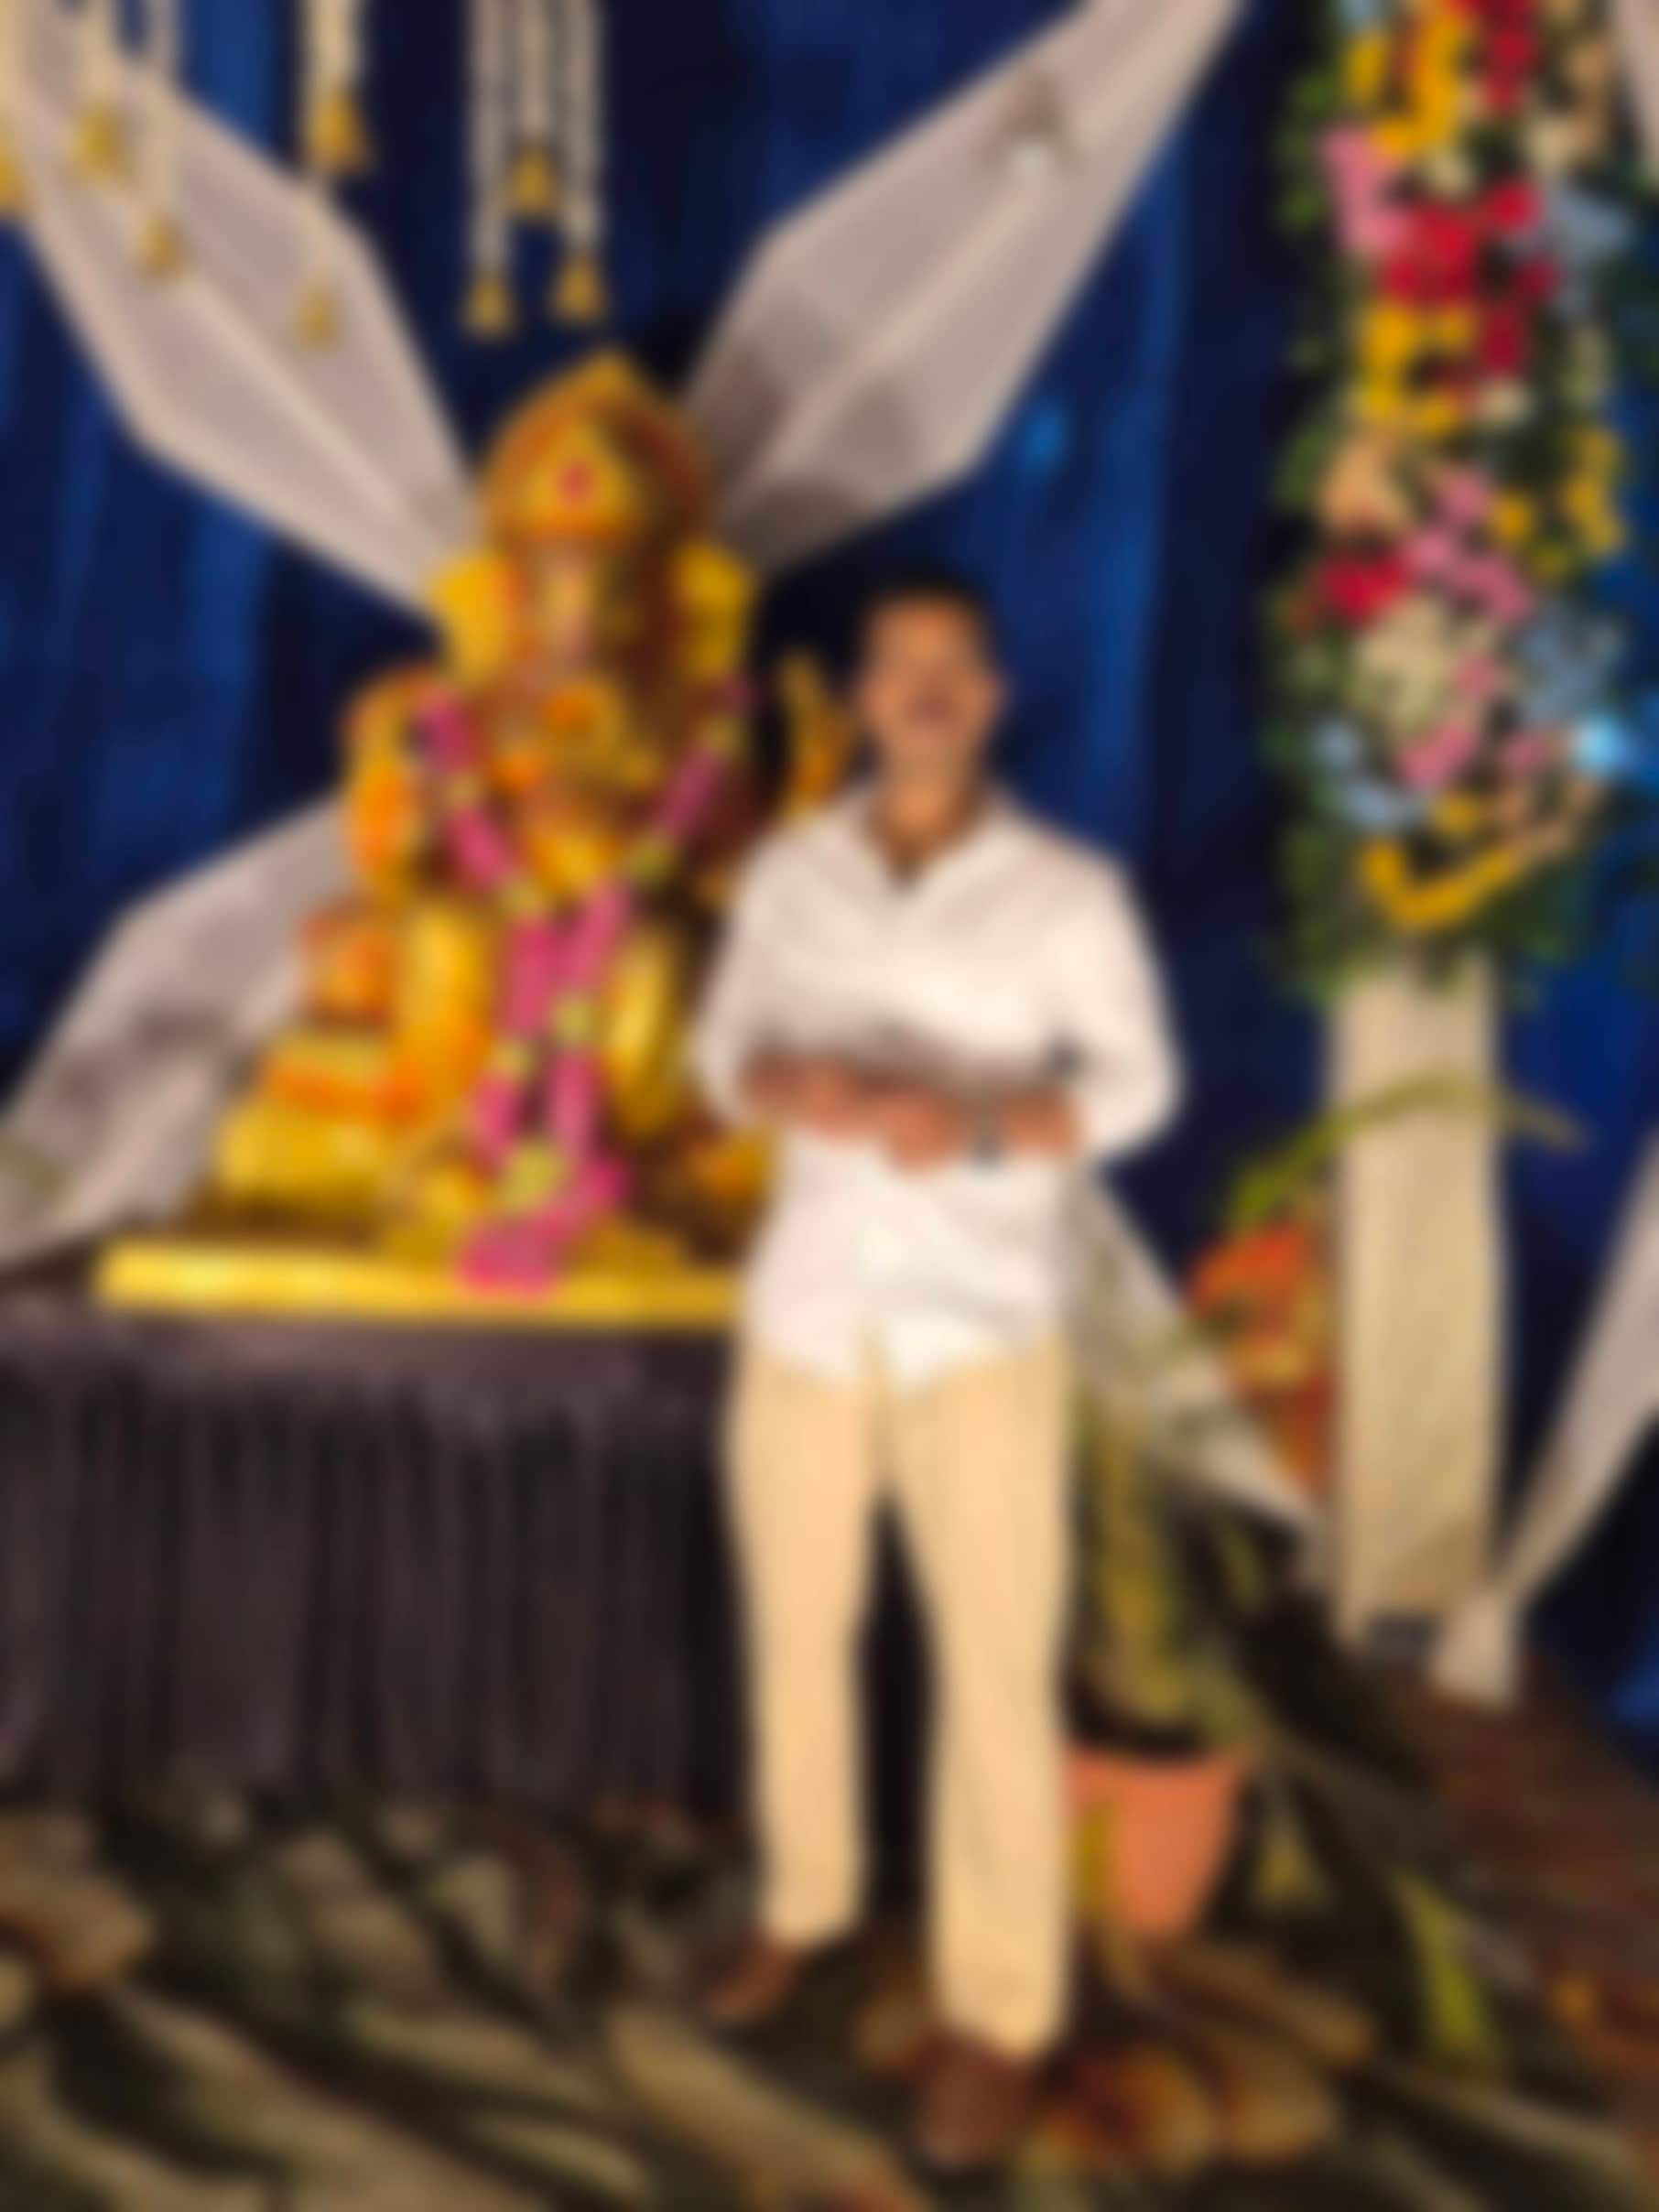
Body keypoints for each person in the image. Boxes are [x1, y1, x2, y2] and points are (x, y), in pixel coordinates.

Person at [691, 566, 1181, 2172]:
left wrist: (975, 1125)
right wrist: (786, 1082)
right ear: (859, 695)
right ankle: (803, 1904)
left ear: (990, 695)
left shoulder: (1066, 892)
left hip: (981, 1322)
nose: (921, 691)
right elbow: (719, 1048)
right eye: (894, 665)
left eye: (949, 666)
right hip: (809, 1314)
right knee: (795, 1633)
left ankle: (1000, 2011)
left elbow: (1142, 1086)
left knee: (992, 1663)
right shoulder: (791, 873)